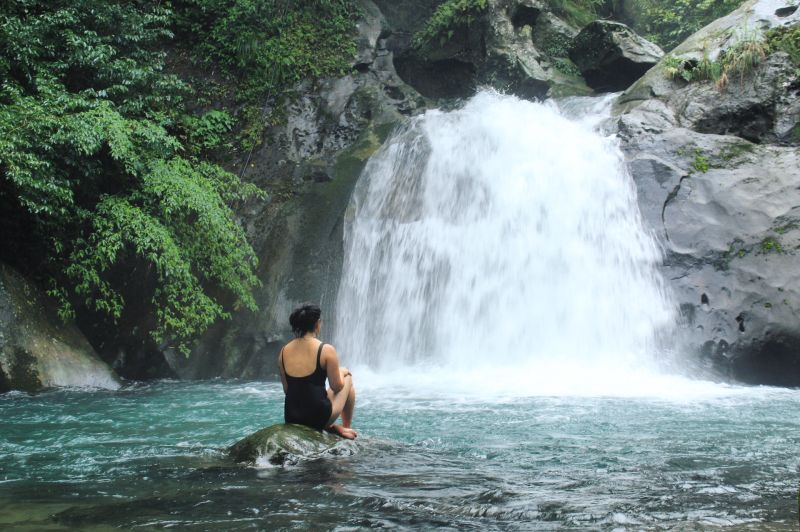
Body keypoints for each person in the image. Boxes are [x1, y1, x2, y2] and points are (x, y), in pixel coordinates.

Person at [278, 303, 357, 439]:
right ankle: (346, 427)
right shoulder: (326, 349)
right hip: (317, 419)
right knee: (348, 378)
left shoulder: (283, 352)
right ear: (317, 324)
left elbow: (287, 389)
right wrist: (343, 371)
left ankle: (332, 428)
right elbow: (337, 386)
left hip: (292, 418)